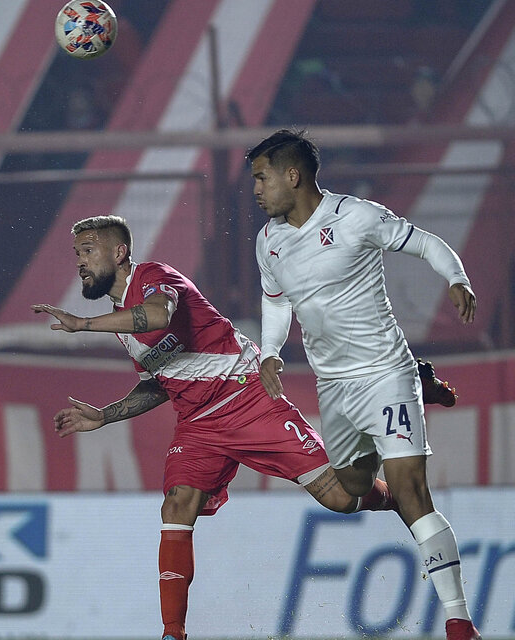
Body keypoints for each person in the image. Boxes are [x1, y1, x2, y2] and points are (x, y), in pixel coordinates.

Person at [31, 215, 398, 640]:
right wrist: (105, 415)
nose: (80, 261)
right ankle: (173, 633)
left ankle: (398, 497)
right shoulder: (121, 323)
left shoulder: (155, 277)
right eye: (77, 252)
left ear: (119, 253)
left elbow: (157, 315)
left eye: (88, 250)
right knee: (176, 505)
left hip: (247, 398)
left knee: (339, 496)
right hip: (198, 425)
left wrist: (82, 325)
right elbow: (158, 384)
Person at [247, 128, 479, 640]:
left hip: (382, 374)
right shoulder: (268, 242)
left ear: (293, 175)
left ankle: (459, 621)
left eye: (262, 178)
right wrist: (269, 352)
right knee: (350, 489)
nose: (257, 190)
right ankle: (423, 388)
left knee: (412, 492)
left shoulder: (356, 217)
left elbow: (427, 244)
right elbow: (276, 299)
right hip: (333, 385)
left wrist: (456, 278)